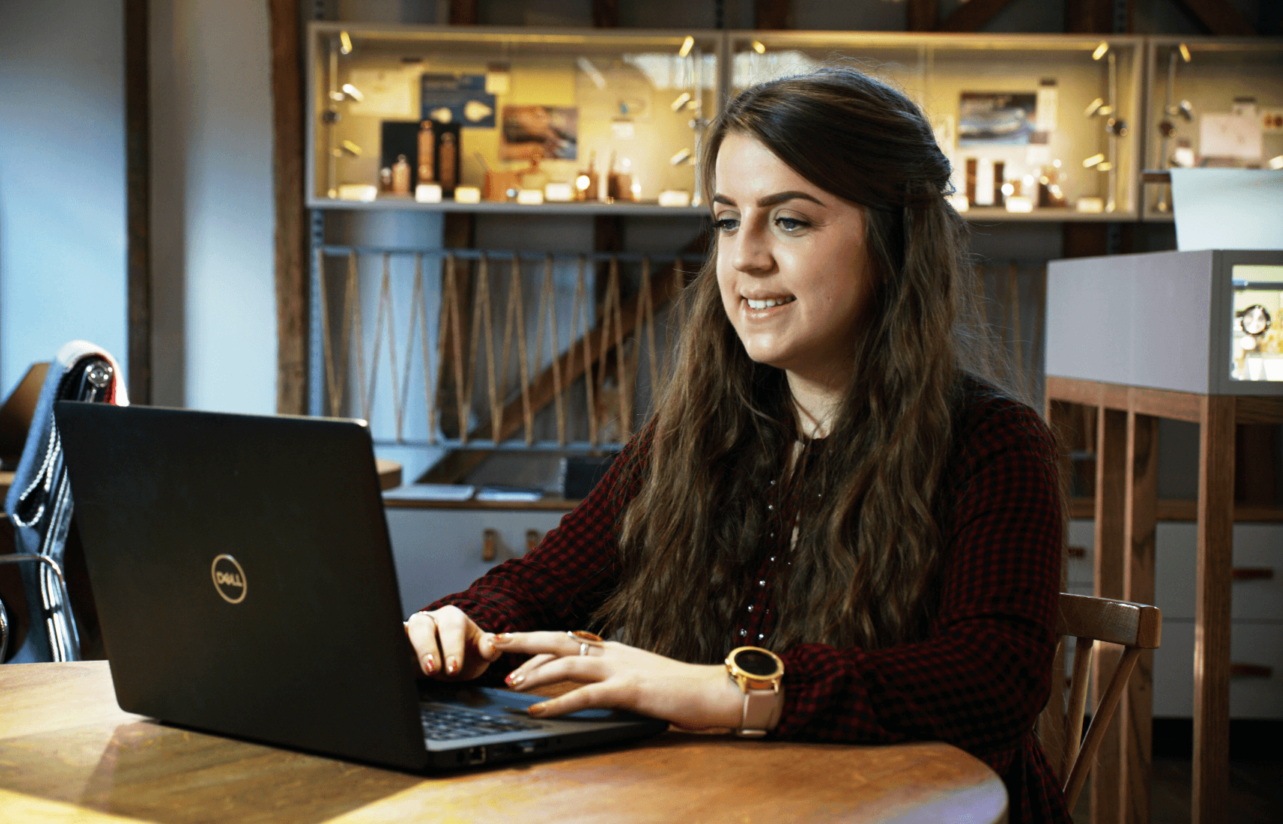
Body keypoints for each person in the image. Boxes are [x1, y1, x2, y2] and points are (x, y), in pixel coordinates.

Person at [405, 67, 1068, 824]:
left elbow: (993, 680)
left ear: (896, 240)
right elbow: (537, 586)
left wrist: (730, 691)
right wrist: (459, 626)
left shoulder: (995, 443)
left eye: (789, 221)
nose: (744, 257)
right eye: (727, 220)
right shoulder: (696, 434)